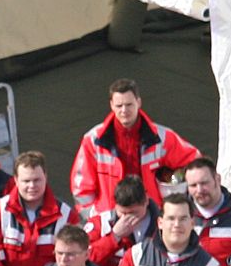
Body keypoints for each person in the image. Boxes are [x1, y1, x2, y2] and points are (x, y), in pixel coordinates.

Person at [70, 79, 201, 214]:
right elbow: (81, 187)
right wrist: (95, 220)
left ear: (138, 102)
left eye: (129, 104)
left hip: (153, 217)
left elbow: (196, 163)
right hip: (111, 221)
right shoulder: (93, 141)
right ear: (111, 105)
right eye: (119, 105)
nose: (124, 110)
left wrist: (173, 183)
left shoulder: (163, 137)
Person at [0, 152, 74, 266]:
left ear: (45, 177)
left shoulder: (66, 215)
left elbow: (72, 262)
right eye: (26, 181)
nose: (32, 186)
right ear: (16, 180)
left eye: (37, 180)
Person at [83, 175, 159, 266]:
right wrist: (114, 237)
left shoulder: (163, 224)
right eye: (122, 213)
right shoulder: (100, 223)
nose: (126, 218)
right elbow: (81, 261)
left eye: (133, 213)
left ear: (146, 201)